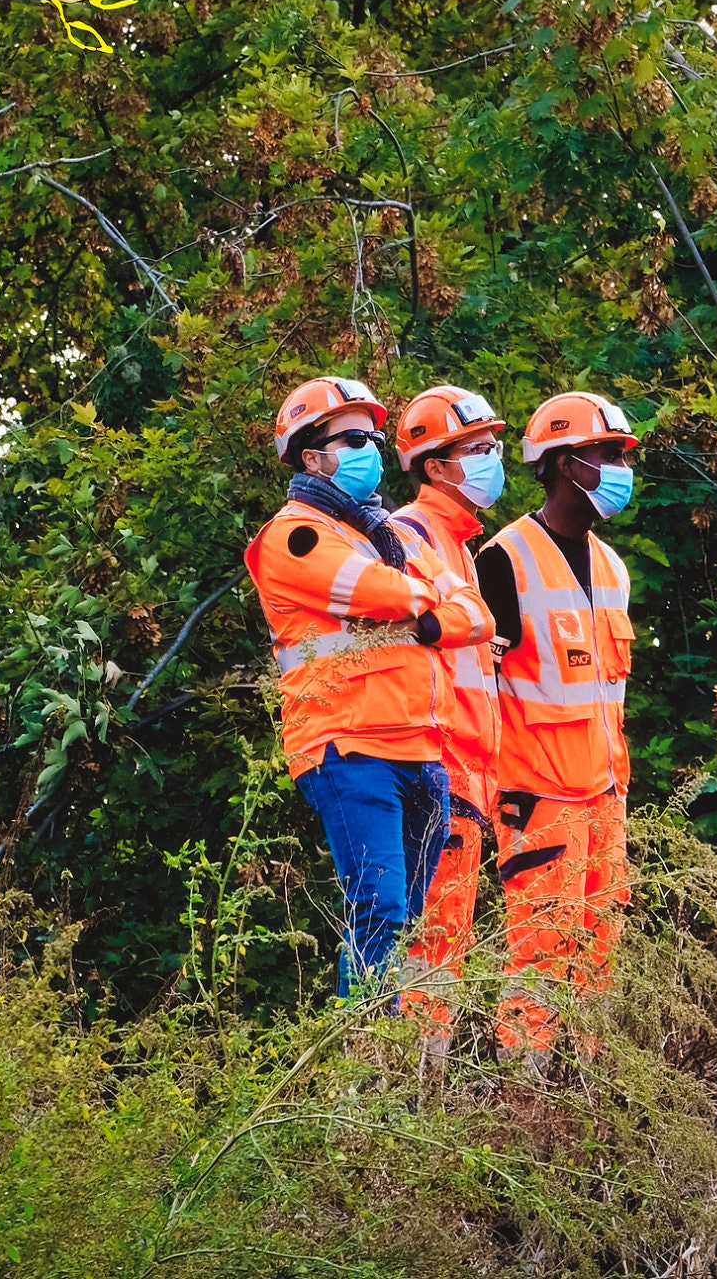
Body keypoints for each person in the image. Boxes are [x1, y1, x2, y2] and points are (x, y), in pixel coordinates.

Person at [244, 374, 495, 1004]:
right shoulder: (294, 534)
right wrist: (427, 600)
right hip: (347, 746)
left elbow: (476, 613)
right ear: (311, 456)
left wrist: (430, 606)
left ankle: (387, 1053)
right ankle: (360, 1052)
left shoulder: (385, 532)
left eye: (374, 437)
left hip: (419, 748)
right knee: (379, 904)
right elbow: (383, 591)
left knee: (407, 917)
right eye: (353, 438)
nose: (371, 448)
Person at [473, 390, 639, 1066]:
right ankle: (524, 1094)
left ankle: (586, 1095)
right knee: (540, 954)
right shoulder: (500, 560)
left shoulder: (611, 566)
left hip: (603, 797)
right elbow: (475, 691)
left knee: (600, 956)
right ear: (565, 463)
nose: (620, 468)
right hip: (535, 797)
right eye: (606, 454)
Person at [389, 385, 507, 1061]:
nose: (494, 460)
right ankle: (404, 1085)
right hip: (438, 766)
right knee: (428, 937)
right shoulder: (411, 533)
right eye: (480, 449)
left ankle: (417, 1088)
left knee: (444, 938)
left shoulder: (457, 544)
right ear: (435, 465)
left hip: (464, 775)